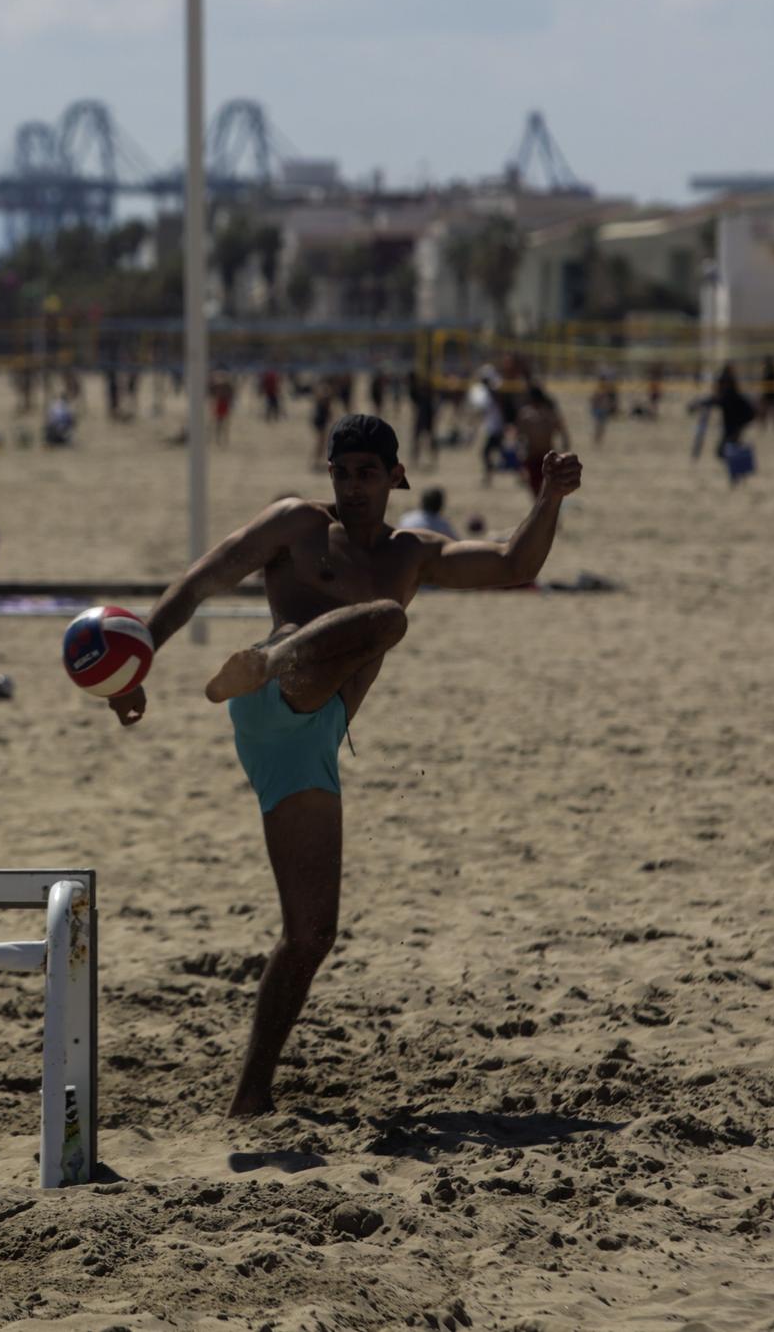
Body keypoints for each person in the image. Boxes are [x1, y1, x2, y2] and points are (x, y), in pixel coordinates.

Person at [106, 415, 583, 1117]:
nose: (353, 487)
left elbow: (515, 565)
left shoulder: (412, 550)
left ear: (396, 477)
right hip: (269, 695)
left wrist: (550, 499)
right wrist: (134, 660)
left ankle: (250, 1095)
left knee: (311, 933)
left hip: (312, 739)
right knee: (387, 617)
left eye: (367, 472)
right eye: (342, 472)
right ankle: (269, 661)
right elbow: (203, 578)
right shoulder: (297, 524)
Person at [511, 384, 570, 497]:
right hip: (532, 457)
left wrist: (564, 447)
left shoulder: (547, 414)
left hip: (546, 457)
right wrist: (519, 452)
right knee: (536, 490)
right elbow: (518, 436)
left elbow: (562, 430)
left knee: (548, 490)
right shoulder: (526, 415)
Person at [406, 371, 438, 468]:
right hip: (426, 416)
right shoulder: (420, 390)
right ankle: (419, 459)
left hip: (424, 416)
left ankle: (425, 458)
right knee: (424, 439)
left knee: (421, 439)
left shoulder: (421, 391)